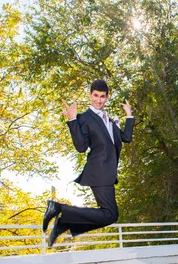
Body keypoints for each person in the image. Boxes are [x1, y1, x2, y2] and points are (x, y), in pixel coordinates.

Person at [42, 79, 135, 246]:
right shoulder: (84, 118)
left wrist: (129, 116)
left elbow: (126, 138)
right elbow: (81, 147)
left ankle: (64, 222)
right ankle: (59, 210)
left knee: (110, 215)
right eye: (95, 96)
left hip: (107, 172)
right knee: (110, 215)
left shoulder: (109, 120)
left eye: (102, 96)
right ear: (90, 95)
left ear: (107, 97)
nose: (98, 100)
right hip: (98, 170)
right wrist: (72, 121)